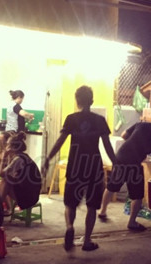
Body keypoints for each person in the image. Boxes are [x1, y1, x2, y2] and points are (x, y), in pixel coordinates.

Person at [42, 85, 116, 252]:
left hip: (75, 166)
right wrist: (116, 163)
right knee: (92, 206)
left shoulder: (71, 119)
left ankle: (70, 227)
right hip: (94, 167)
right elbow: (107, 146)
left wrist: (48, 158)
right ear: (92, 101)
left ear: (77, 101)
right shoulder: (99, 120)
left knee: (71, 203)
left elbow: (60, 141)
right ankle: (87, 241)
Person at [98, 111, 151, 232]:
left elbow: (123, 135)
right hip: (134, 163)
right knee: (137, 195)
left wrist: (135, 141)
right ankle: (132, 222)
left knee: (111, 186)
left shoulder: (141, 124)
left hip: (121, 157)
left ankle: (102, 211)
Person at [0, 132, 42, 210]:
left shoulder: (18, 159)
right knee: (3, 181)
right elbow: (8, 174)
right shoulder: (22, 156)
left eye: (7, 144)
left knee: (5, 181)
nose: (6, 147)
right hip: (31, 194)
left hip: (29, 198)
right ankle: (0, 208)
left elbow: (1, 174)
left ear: (13, 147)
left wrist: (4, 157)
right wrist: (8, 156)